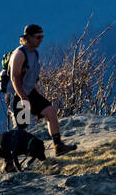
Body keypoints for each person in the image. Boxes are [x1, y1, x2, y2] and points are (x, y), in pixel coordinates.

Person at [9, 24, 77, 155]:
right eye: (38, 37)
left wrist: (34, 94)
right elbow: (14, 78)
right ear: (28, 38)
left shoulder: (34, 53)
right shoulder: (19, 54)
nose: (41, 40)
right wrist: (23, 98)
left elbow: (30, 77)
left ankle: (58, 146)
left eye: (42, 37)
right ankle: (9, 160)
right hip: (17, 94)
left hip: (29, 92)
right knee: (21, 128)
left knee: (51, 112)